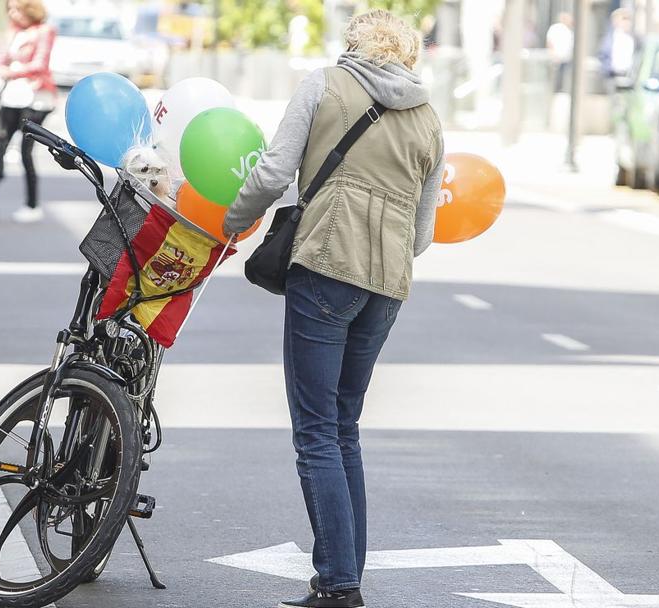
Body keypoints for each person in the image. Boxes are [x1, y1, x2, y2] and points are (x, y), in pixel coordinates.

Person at [223, 10, 443, 608]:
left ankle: (340, 584)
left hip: (324, 266)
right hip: (387, 286)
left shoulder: (323, 85)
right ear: (410, 57)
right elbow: (423, 234)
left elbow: (272, 173)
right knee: (344, 428)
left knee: (316, 429)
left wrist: (229, 224)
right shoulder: (428, 120)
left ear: (355, 45)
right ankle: (343, 578)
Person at [0, 0, 57, 223]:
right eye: (9, 9)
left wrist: (13, 71)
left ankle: (32, 203)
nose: (12, 13)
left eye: (17, 8)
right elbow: (0, 59)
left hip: (35, 97)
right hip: (11, 96)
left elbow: (41, 64)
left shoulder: (43, 31)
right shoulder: (13, 32)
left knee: (25, 151)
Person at [599, 8, 635, 80]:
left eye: (627, 19)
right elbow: (603, 54)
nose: (626, 22)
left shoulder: (633, 38)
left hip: (629, 76)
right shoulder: (610, 38)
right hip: (612, 75)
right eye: (623, 19)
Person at [546, 12, 574, 93]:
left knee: (565, 79)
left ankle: (562, 91)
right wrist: (552, 54)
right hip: (556, 58)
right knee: (555, 78)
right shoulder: (555, 28)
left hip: (566, 59)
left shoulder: (569, 30)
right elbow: (549, 42)